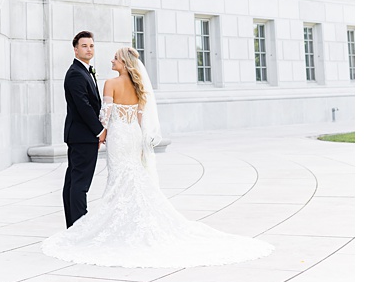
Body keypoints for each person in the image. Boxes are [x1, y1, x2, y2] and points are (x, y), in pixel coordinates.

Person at [42, 47, 273, 267]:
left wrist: (102, 133)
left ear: (123, 63)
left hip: (119, 138)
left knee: (118, 177)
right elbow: (141, 118)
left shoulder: (110, 83)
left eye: (115, 58)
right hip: (133, 136)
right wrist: (142, 141)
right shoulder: (139, 86)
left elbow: (106, 115)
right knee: (133, 174)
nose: (111, 61)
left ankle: (117, 224)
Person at [61, 31, 105, 228]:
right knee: (80, 184)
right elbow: (83, 106)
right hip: (82, 136)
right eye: (84, 46)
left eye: (91, 46)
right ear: (75, 49)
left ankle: (73, 226)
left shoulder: (85, 71)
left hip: (81, 136)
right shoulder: (75, 74)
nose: (89, 49)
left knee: (73, 180)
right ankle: (79, 226)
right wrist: (100, 130)